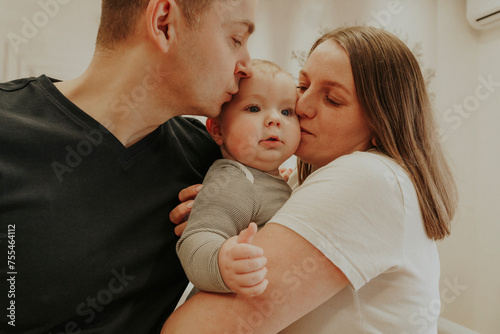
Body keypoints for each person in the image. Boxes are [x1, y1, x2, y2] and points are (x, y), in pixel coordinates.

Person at [163, 26, 458, 333]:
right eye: (302, 86)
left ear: (381, 121)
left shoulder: (366, 179)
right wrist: (221, 212)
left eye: (332, 99)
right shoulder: (296, 183)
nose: (300, 107)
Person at [0, 0, 257, 333]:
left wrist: (231, 210)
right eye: (236, 39)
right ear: (164, 23)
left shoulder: (212, 166)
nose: (247, 65)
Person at [176, 59, 301, 297]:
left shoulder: (267, 180)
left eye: (287, 111)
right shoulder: (235, 180)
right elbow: (197, 237)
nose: (274, 120)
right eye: (254, 108)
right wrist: (222, 263)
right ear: (217, 130)